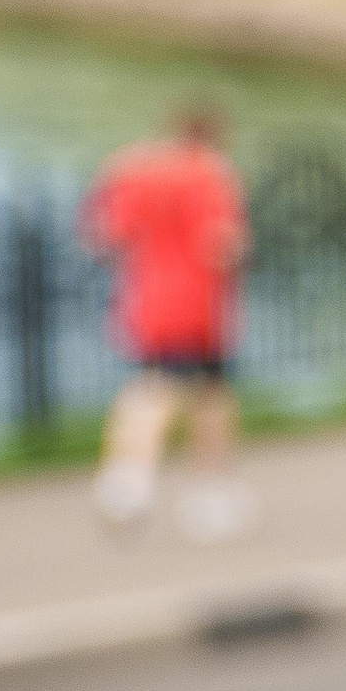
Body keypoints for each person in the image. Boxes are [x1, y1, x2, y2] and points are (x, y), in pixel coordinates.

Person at [81, 105, 252, 538]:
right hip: (197, 306)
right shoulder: (209, 174)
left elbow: (105, 236)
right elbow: (223, 243)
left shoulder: (136, 169)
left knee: (156, 387)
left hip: (145, 302)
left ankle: (126, 482)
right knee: (202, 397)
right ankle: (200, 496)